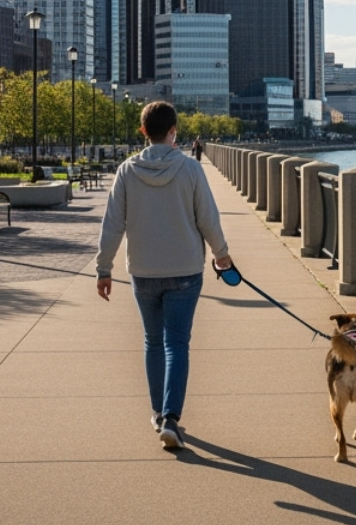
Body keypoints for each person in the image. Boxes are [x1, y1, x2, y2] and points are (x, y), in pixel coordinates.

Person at [96, 101, 231, 451]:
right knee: (177, 343)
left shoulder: (127, 171)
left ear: (143, 131)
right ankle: (171, 418)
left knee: (153, 342)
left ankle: (158, 414)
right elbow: (208, 218)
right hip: (185, 269)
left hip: (143, 271)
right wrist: (221, 255)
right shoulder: (189, 169)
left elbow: (113, 223)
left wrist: (104, 268)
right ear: (174, 131)